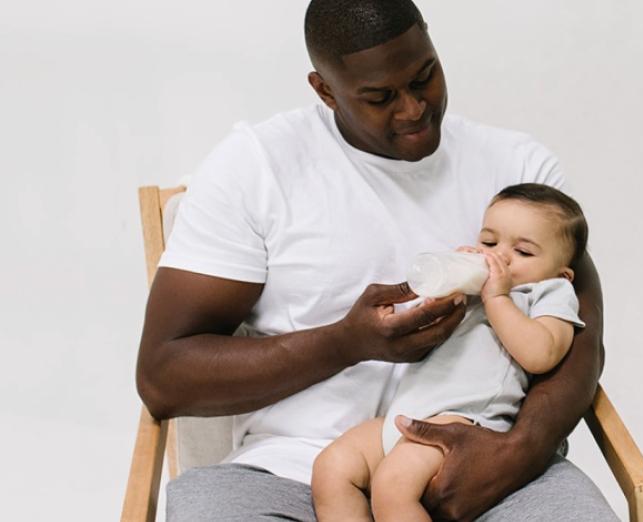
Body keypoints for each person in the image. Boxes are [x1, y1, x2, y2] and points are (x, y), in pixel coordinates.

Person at [136, 1, 616, 520]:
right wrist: (346, 344)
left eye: (424, 77)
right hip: (298, 469)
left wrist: (514, 455)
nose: (413, 109)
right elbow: (164, 377)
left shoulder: (520, 172)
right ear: (325, 90)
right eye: (380, 97)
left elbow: (581, 337)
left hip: (485, 455)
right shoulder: (256, 168)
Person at [312, 184, 590, 521]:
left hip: (464, 421)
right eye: (489, 242)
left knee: (393, 486)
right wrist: (447, 291)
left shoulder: (548, 292)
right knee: (332, 468)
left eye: (523, 252)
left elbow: (541, 354)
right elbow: (425, 335)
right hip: (405, 414)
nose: (499, 257)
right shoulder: (473, 289)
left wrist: (497, 298)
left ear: (563, 274)